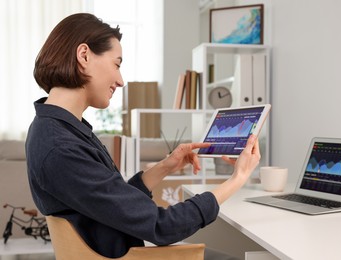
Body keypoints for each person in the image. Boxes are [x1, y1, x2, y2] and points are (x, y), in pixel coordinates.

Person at [26, 13, 260, 259]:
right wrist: (238, 178)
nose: (121, 80)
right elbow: (162, 227)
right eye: (117, 64)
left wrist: (164, 166)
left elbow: (111, 203)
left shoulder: (58, 130)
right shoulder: (61, 147)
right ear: (84, 55)